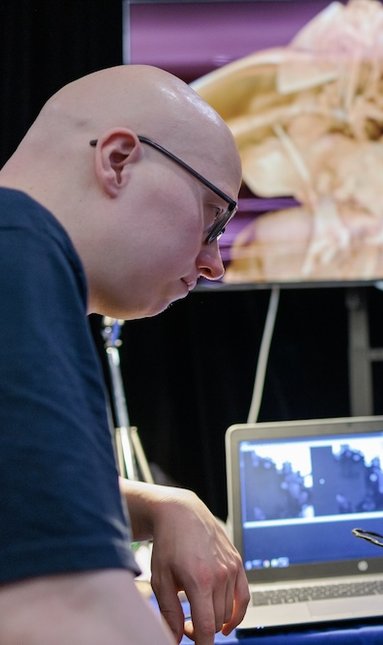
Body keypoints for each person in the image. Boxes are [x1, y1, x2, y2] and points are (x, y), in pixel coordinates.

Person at [0, 65, 249, 644]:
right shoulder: (19, 251)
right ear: (117, 160)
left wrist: (156, 503)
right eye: (213, 218)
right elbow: (59, 615)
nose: (215, 264)